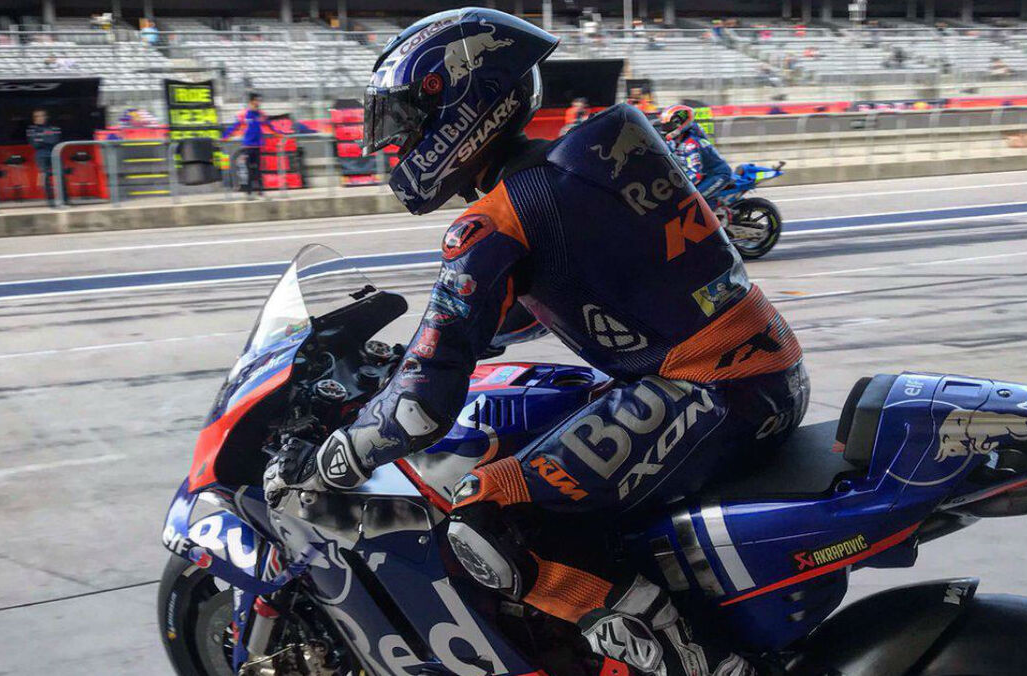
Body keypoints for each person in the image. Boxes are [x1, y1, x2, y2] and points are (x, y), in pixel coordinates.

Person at [262, 8, 807, 676]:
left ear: (460, 103)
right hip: (763, 369)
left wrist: (325, 462)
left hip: (711, 391)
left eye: (405, 122)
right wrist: (414, 357)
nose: (395, 144)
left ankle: (700, 664)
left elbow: (421, 408)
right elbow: (533, 310)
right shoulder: (575, 165)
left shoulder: (495, 219)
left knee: (484, 514)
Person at [659, 104, 733, 210]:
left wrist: (676, 187)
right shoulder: (674, 141)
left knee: (695, 200)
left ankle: (718, 214)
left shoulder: (691, 144)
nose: (665, 129)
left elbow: (695, 174)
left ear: (679, 124)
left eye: (668, 126)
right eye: (664, 126)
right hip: (705, 174)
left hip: (718, 174)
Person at [222, 92, 280, 199]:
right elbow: (234, 127)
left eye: (259, 100)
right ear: (251, 101)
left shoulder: (261, 115)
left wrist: (279, 134)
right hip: (247, 146)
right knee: (248, 170)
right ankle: (249, 193)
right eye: (256, 100)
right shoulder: (243, 115)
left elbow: (270, 126)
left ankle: (260, 192)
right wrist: (225, 137)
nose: (258, 102)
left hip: (258, 146)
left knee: (258, 170)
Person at [26, 109, 61, 205]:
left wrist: (41, 138)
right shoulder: (31, 129)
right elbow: (35, 144)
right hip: (41, 154)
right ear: (34, 119)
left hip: (54, 153)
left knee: (60, 175)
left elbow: (55, 140)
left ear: (46, 117)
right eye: (37, 116)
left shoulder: (54, 128)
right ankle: (50, 201)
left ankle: (63, 199)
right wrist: (46, 138)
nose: (40, 118)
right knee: (45, 176)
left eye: (42, 115)